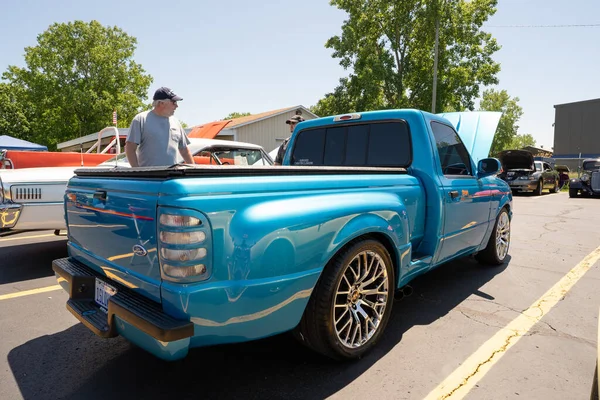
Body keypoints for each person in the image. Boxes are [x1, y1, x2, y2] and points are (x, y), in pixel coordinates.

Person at [125, 86, 195, 167]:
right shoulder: (140, 119)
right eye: (174, 102)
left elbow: (184, 151)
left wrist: (194, 170)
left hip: (171, 176)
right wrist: (137, 171)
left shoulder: (176, 122)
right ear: (161, 103)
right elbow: (130, 148)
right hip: (149, 177)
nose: (177, 106)